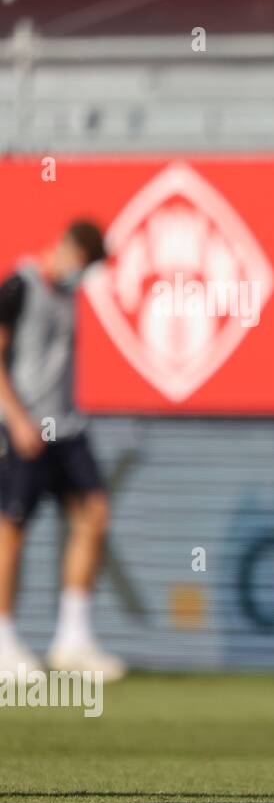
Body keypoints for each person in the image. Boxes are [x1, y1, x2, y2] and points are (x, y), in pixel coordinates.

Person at [0, 221, 123, 681]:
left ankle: (73, 640)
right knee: (11, 528)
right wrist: (15, 418)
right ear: (67, 248)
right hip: (24, 426)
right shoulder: (18, 287)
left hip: (67, 428)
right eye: (84, 265)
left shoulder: (69, 294)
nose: (83, 276)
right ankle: (4, 641)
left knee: (94, 512)